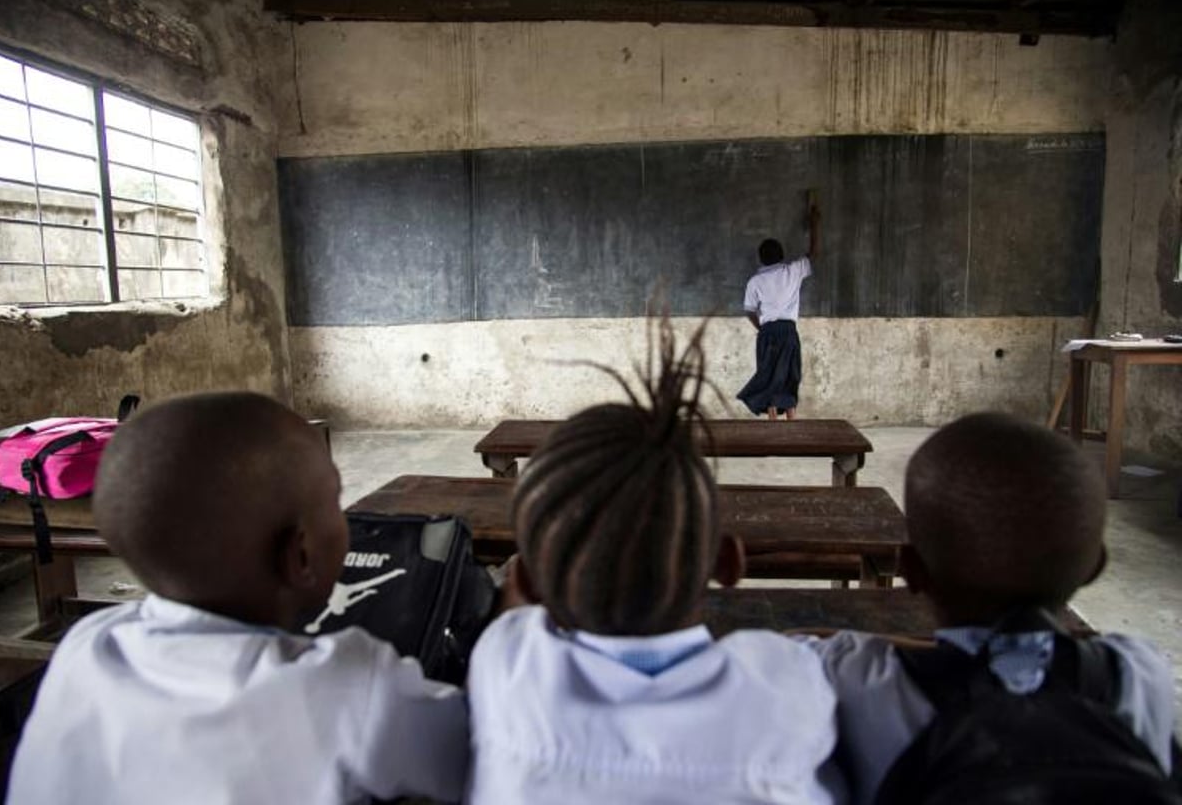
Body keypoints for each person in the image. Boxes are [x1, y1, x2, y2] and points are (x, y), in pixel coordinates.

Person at [6, 392, 469, 805]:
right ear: (301, 555)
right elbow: (478, 755)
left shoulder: (87, 643)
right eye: (335, 500)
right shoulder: (350, 684)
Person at [463, 318, 840, 805]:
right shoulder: (787, 686)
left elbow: (512, 622)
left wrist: (531, 576)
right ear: (728, 562)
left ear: (529, 583)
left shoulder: (504, 670)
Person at [804, 412, 1176, 804]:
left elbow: (793, 645)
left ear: (911, 569)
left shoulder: (858, 676)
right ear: (1094, 567)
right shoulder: (1135, 674)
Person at [737, 196, 819, 420]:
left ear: (761, 259)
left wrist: (760, 327)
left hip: (768, 331)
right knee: (790, 372)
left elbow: (749, 309)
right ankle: (791, 415)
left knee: (769, 373)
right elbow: (813, 252)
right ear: (781, 255)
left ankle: (772, 416)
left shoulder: (755, 280)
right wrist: (814, 224)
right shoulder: (792, 271)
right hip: (788, 331)